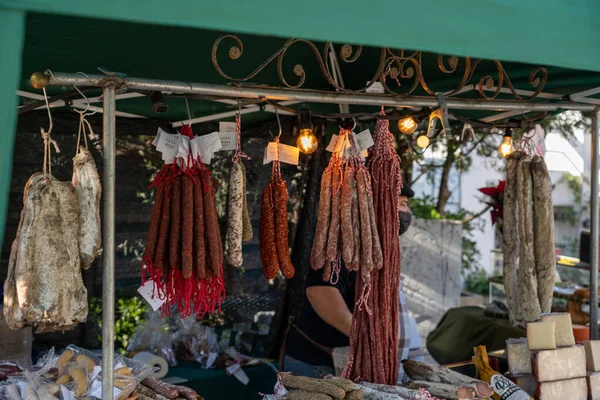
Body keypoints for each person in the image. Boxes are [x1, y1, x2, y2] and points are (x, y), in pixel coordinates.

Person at [281, 184, 415, 378]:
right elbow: (320, 292)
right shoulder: (346, 242)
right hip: (318, 365)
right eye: (402, 204)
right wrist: (368, 338)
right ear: (378, 205)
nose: (408, 212)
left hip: (345, 364)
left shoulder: (379, 247)